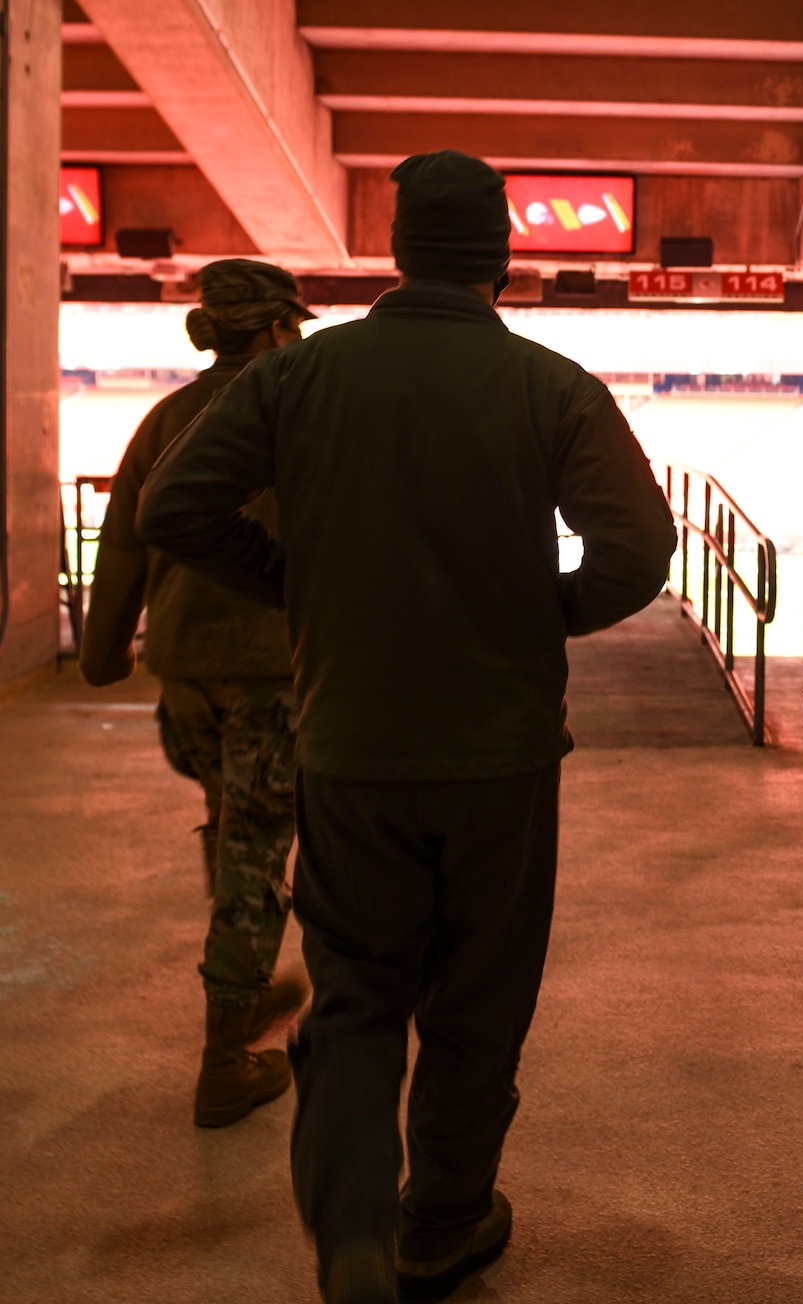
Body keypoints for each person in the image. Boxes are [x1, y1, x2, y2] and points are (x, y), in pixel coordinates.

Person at [138, 150, 676, 1304]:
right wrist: (544, 615)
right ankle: (442, 1221)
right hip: (503, 755)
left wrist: (293, 582)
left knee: (357, 993)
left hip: (349, 750)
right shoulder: (550, 385)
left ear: (397, 252)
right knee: (479, 997)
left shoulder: (302, 378)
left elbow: (172, 506)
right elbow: (639, 549)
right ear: (502, 257)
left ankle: (350, 1235)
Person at [79, 259, 315, 1128]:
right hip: (271, 673)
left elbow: (124, 548)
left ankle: (242, 997)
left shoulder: (168, 416)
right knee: (257, 849)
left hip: (186, 675)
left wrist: (102, 654)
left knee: (232, 827)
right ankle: (225, 1062)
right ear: (280, 328)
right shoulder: (302, 415)